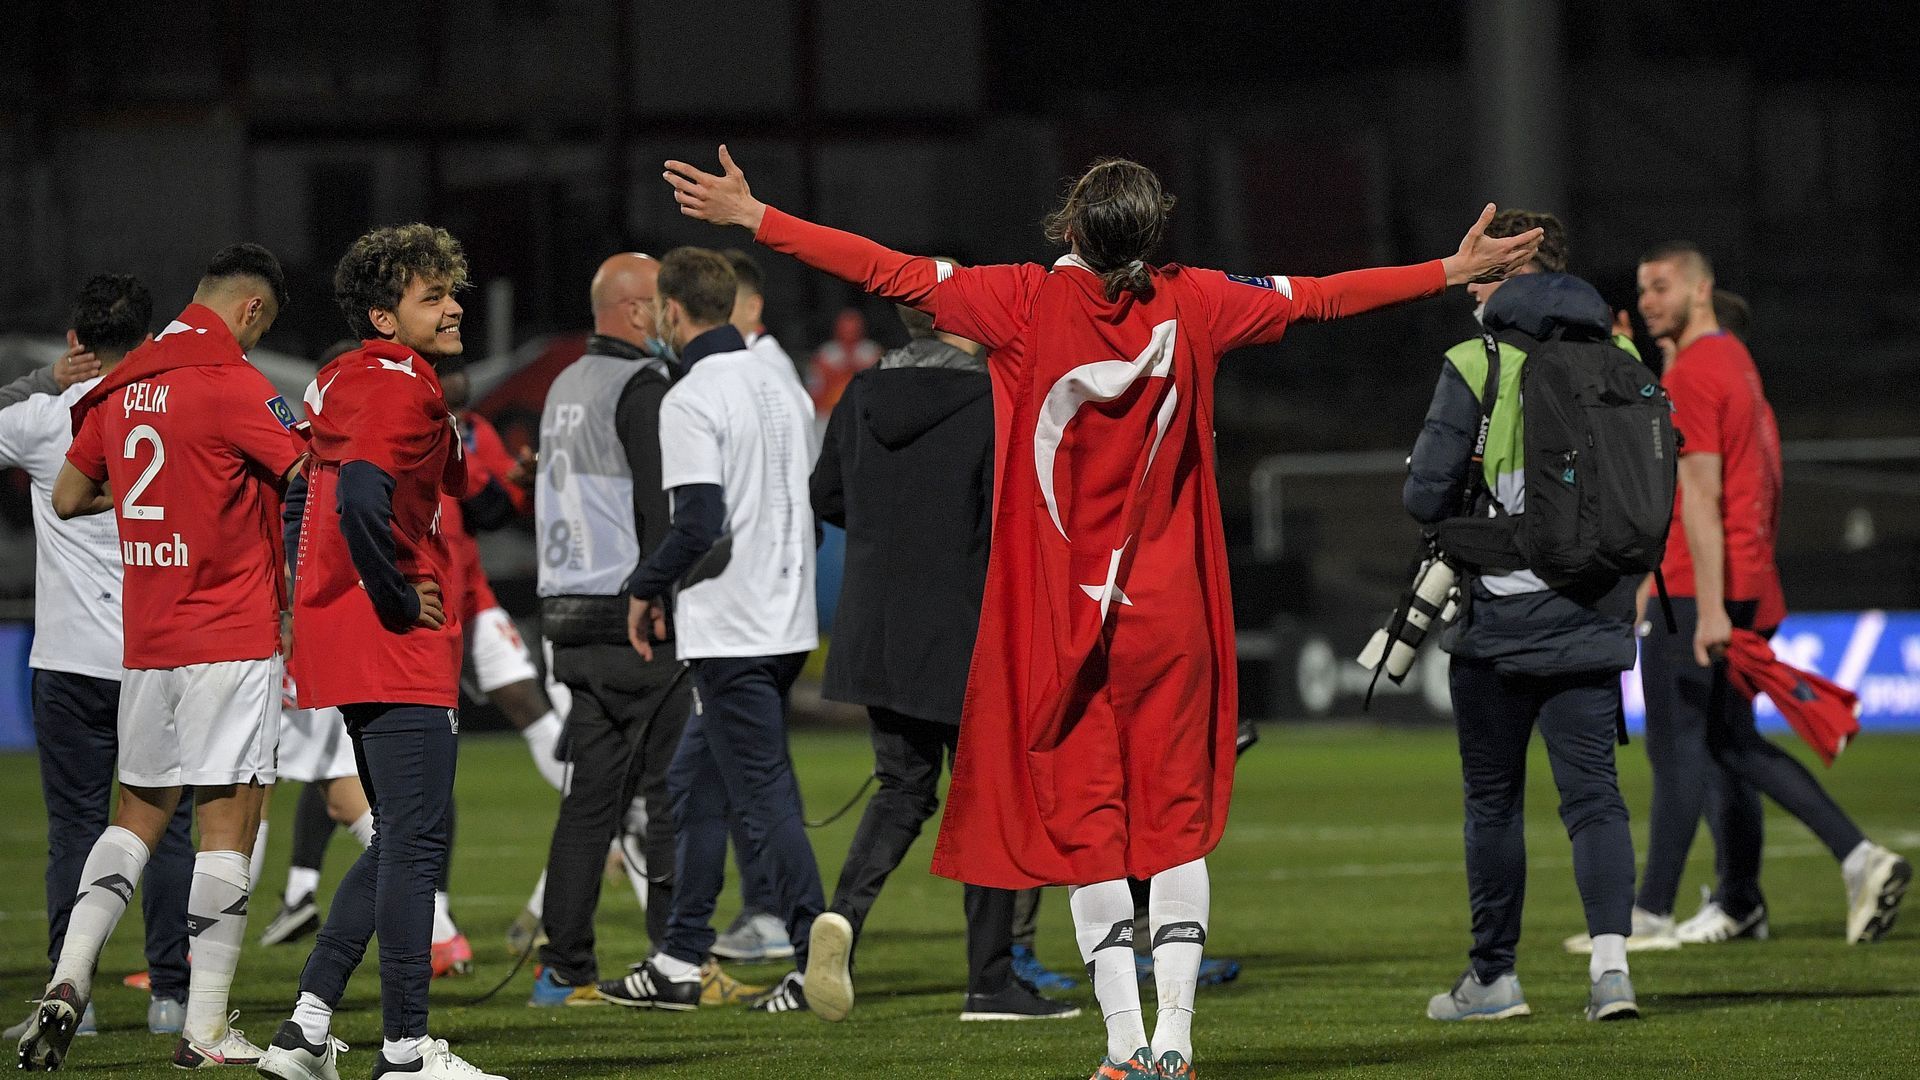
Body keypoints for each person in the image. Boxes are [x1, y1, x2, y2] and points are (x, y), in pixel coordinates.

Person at [664, 146, 1541, 1077]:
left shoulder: (1019, 301)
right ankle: (1177, 1042)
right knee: (1174, 831)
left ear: (1072, 225)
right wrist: (1448, 270)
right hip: (1171, 623)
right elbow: (1324, 296)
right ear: (1152, 233)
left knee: (1090, 836)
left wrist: (757, 218)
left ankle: (1123, 1046)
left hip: (1065, 625)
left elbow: (885, 269)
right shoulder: (1199, 299)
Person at [25, 245, 302, 1071]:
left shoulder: (122, 386)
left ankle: (70, 976)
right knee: (229, 825)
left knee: (134, 818)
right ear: (251, 309)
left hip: (147, 642)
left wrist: (164, 489)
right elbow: (308, 473)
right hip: (230, 633)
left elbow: (68, 496)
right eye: (260, 330)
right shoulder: (233, 384)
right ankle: (205, 1030)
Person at [259, 224, 505, 1080]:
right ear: (384, 317)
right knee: (416, 841)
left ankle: (305, 1030)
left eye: (451, 292)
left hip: (350, 634)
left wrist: (314, 598)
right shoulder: (397, 386)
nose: (453, 307)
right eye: (432, 297)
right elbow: (362, 494)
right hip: (394, 639)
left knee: (399, 836)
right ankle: (404, 1051)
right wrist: (395, 595)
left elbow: (310, 496)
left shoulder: (346, 378)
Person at [804, 277, 1078, 1023]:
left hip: (876, 627)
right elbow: (1012, 515)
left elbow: (825, 495)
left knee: (902, 789)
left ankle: (842, 917)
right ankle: (989, 981)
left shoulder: (862, 394)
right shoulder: (993, 397)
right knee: (987, 799)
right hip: (964, 627)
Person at [1400, 211, 1644, 1023]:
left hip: (1499, 620)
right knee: (1596, 798)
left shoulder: (1477, 360)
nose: (1470, 288)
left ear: (1513, 271)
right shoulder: (1623, 358)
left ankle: (1495, 979)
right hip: (1594, 612)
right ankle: (1611, 973)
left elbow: (1425, 495)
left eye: (1482, 272)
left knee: (1493, 804)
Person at [1631, 242, 1909, 947]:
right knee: (1729, 744)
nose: (1647, 300)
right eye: (1643, 289)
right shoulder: (1733, 362)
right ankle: (1750, 898)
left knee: (1682, 750)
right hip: (1744, 578)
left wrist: (1709, 607)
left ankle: (1649, 916)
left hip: (1698, 586)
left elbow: (1700, 497)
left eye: (1661, 287)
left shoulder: (1697, 374)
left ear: (1700, 290)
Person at [598, 247, 824, 1015]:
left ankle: (812, 957)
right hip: (785, 618)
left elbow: (698, 522)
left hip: (734, 626)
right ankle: (678, 959)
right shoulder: (781, 381)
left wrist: (644, 587)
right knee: (692, 781)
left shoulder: (691, 396)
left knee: (761, 797)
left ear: (671, 310)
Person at [0, 276, 196, 1043]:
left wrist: (42, 380)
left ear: (75, 341)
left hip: (69, 661)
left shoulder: (46, 418)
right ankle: (172, 997)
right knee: (168, 830)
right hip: (158, 653)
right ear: (146, 338)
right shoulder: (172, 412)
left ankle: (68, 997)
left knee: (74, 830)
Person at [527, 252, 708, 1008]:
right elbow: (660, 510)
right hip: (633, 618)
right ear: (636, 311)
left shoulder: (566, 383)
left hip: (567, 619)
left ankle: (563, 966)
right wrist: (661, 591)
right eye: (661, 300)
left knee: (590, 801)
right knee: (669, 793)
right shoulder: (643, 387)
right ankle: (673, 960)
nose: (669, 313)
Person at [806, 307, 880, 417]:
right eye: (846, 330)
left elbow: (881, 388)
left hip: (865, 414)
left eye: (853, 331)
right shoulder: (825, 354)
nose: (849, 335)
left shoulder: (872, 352)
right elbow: (814, 392)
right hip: (829, 414)